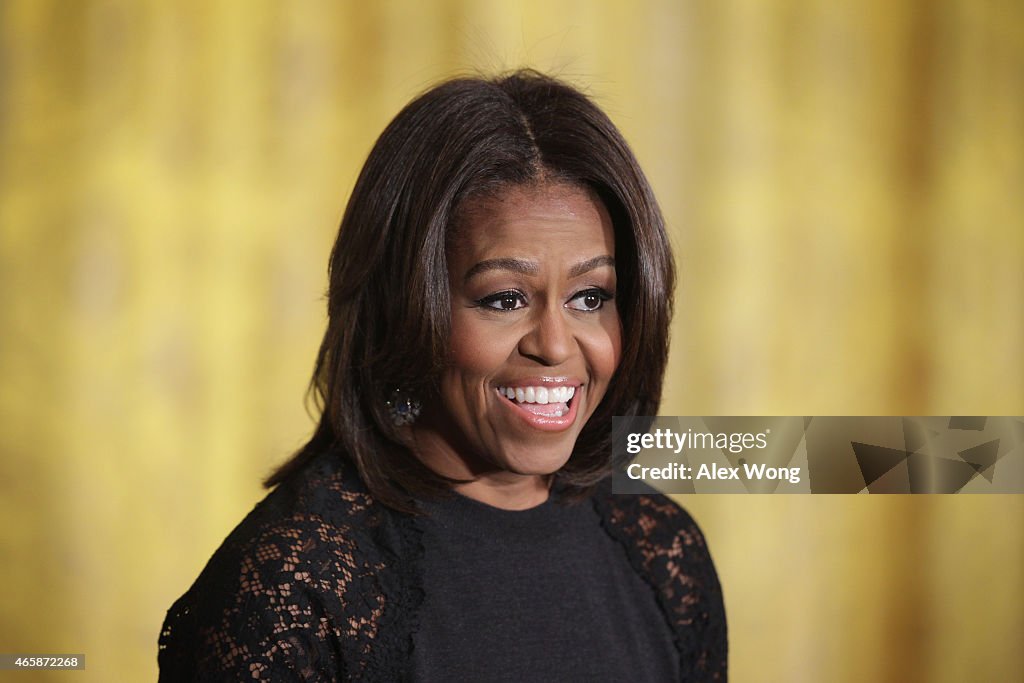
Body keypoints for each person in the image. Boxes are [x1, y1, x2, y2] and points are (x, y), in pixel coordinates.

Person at [158, 69, 727, 681]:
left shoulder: (661, 549)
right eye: (505, 299)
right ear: (404, 308)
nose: (557, 345)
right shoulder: (290, 591)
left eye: (590, 297)